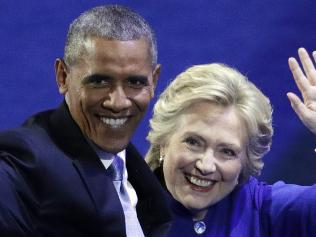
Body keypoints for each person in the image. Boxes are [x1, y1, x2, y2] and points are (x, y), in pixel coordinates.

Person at [0, 5, 171, 237]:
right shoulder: (22, 161)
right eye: (100, 82)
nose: (118, 102)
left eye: (135, 83)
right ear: (63, 77)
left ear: (154, 81)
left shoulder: (144, 180)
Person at [145, 48, 316, 236]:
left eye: (227, 152)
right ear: (163, 142)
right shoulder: (123, 205)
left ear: (245, 162)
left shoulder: (265, 210)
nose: (206, 166)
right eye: (193, 142)